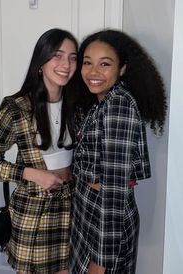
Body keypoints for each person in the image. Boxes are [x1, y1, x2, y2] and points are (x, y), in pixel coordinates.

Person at [0, 28, 78, 274]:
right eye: (58, 55)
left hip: (72, 210)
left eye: (73, 57)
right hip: (35, 213)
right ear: (41, 62)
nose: (66, 64)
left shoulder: (78, 106)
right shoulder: (17, 109)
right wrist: (31, 174)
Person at [70, 29, 167, 274]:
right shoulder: (102, 102)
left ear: (122, 68)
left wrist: (100, 262)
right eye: (87, 63)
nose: (93, 72)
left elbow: (114, 190)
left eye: (105, 64)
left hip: (105, 225)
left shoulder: (118, 106)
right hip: (91, 215)